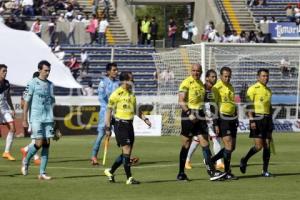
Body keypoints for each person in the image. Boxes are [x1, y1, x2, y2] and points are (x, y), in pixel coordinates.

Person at [177, 64, 225, 181]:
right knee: (186, 145)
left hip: (200, 115)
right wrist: (189, 113)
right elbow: (181, 101)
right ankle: (181, 173)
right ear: (190, 71)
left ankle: (212, 172)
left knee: (205, 143)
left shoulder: (201, 85)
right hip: (188, 116)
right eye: (193, 70)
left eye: (198, 71)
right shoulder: (186, 83)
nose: (195, 73)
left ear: (201, 72)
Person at [103, 71, 151, 184]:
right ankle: (129, 178)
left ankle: (110, 171)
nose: (133, 81)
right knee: (127, 150)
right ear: (125, 81)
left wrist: (145, 119)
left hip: (129, 125)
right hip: (120, 125)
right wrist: (108, 128)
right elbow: (108, 111)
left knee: (126, 152)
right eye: (131, 79)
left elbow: (136, 110)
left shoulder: (132, 94)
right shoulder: (116, 94)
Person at [21, 60, 56, 180]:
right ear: (39, 70)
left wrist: (55, 123)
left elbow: (52, 103)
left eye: (49, 70)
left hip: (48, 118)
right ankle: (26, 160)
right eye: (45, 70)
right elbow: (26, 102)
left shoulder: (51, 85)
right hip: (36, 117)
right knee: (39, 143)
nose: (47, 73)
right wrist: (24, 118)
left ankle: (42, 173)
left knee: (46, 144)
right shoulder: (32, 83)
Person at [185, 70, 224, 170]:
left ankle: (188, 160)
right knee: (214, 138)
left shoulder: (214, 90)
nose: (214, 78)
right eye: (212, 77)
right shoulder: (202, 88)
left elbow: (214, 106)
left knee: (198, 139)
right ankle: (217, 162)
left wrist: (216, 120)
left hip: (211, 119)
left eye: (215, 77)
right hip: (203, 119)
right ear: (206, 78)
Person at [240, 68, 274, 177]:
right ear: (258, 77)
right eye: (263, 76)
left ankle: (265, 171)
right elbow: (248, 106)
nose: (266, 78)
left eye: (267, 76)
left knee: (267, 145)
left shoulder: (269, 91)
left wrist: (271, 120)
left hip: (267, 119)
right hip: (257, 119)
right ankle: (244, 160)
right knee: (259, 146)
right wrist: (251, 120)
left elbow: (269, 106)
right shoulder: (252, 89)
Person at [210, 67, 239, 180]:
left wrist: (236, 117)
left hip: (232, 118)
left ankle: (212, 160)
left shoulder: (231, 87)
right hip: (223, 118)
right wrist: (215, 123)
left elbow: (233, 104)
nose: (227, 78)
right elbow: (214, 106)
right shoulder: (216, 88)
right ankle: (227, 172)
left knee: (232, 147)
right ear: (221, 76)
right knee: (228, 145)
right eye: (225, 76)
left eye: (229, 76)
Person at [90, 63, 119, 165]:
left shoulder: (118, 83)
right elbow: (101, 96)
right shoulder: (103, 82)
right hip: (105, 111)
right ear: (108, 72)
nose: (116, 72)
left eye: (116, 70)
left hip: (116, 112)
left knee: (120, 134)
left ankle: (126, 155)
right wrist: (110, 102)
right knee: (101, 134)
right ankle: (93, 156)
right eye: (114, 70)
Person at [20, 71, 41, 165]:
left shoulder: (28, 87)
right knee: (38, 137)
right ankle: (27, 150)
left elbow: (22, 104)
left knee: (37, 137)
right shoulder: (33, 87)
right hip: (33, 115)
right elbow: (23, 104)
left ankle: (35, 156)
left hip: (35, 114)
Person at [0, 64, 16, 161]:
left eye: (6, 71)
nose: (5, 73)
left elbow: (8, 97)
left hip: (4, 109)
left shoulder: (6, 83)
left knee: (13, 128)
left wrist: (12, 108)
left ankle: (6, 152)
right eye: (3, 71)